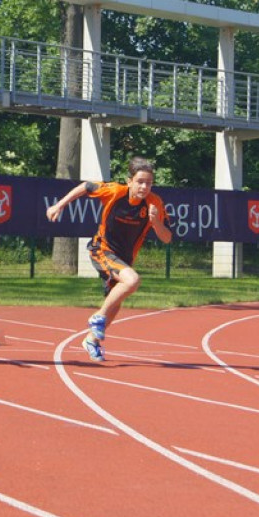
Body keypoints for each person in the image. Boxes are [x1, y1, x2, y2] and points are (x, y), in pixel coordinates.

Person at [45, 155, 172, 362]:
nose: (144, 187)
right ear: (129, 181)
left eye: (149, 183)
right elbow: (86, 186)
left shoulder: (154, 203)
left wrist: (155, 221)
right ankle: (98, 317)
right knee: (132, 280)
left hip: (124, 258)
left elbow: (167, 238)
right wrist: (60, 205)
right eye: (140, 182)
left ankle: (91, 340)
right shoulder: (114, 191)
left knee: (117, 301)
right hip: (102, 249)